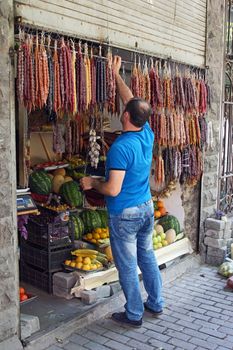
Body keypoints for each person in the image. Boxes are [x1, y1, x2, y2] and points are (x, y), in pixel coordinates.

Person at [80, 56, 163, 327]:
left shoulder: (119, 148)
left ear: (125, 116)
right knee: (147, 256)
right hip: (146, 208)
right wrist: (116, 76)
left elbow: (113, 189)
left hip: (124, 214)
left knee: (127, 265)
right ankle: (156, 302)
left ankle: (134, 314)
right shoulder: (146, 132)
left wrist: (92, 183)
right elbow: (132, 101)